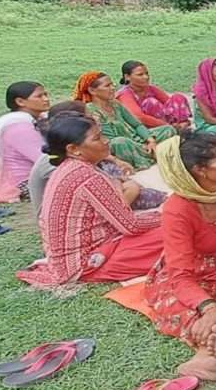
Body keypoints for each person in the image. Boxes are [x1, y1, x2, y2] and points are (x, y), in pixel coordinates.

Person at [144, 132, 216, 381]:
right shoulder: (178, 209)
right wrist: (208, 307)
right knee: (180, 303)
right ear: (200, 170)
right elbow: (180, 275)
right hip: (193, 270)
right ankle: (211, 348)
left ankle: (210, 351)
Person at [16, 115, 163, 289]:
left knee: (171, 229)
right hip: (88, 264)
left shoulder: (71, 168)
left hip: (72, 260)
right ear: (74, 149)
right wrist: (165, 215)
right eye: (97, 138)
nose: (106, 141)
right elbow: (131, 225)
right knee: (175, 233)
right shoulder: (86, 176)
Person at [28, 102, 166, 217]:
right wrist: (130, 188)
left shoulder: (71, 157)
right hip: (75, 219)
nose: (105, 141)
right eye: (89, 116)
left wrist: (120, 178)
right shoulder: (70, 167)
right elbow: (119, 215)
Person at [75, 71, 177, 170]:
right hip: (121, 145)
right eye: (107, 86)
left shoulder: (115, 104)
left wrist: (150, 140)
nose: (113, 88)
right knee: (119, 142)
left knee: (168, 129)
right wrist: (142, 146)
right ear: (92, 91)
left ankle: (152, 152)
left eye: (112, 84)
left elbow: (136, 125)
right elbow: (109, 140)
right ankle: (155, 153)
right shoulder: (91, 110)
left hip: (136, 139)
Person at [0, 82, 50, 204]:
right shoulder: (19, 127)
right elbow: (43, 160)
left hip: (36, 175)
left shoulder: (36, 119)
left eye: (46, 94)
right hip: (24, 183)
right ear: (20, 101)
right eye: (39, 96)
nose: (46, 99)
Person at [116, 60, 191, 127]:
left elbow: (169, 103)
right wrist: (167, 125)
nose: (146, 77)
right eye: (140, 75)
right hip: (146, 127)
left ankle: (182, 125)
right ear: (127, 77)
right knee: (150, 102)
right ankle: (175, 128)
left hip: (167, 124)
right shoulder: (124, 94)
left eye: (146, 73)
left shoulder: (150, 88)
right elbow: (139, 117)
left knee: (178, 97)